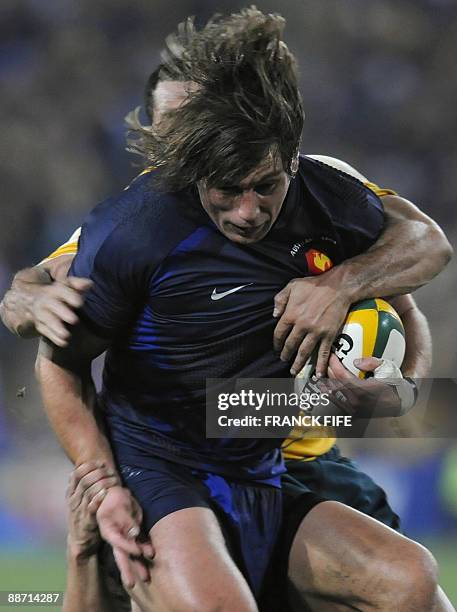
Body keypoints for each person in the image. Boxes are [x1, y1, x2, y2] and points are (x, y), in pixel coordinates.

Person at [5, 9, 454, 611]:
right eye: (226, 189)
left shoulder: (327, 195)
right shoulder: (135, 227)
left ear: (289, 159)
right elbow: (49, 340)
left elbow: (424, 254)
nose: (247, 210)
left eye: (264, 186)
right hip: (163, 461)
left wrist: (350, 314)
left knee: (413, 583)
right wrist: (102, 478)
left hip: (272, 453)